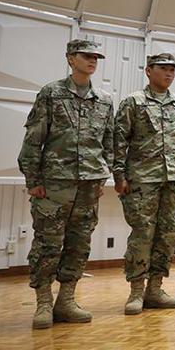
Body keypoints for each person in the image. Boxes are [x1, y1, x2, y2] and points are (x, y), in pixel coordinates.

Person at [19, 39, 114, 329]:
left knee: (78, 244)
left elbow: (108, 144)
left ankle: (67, 300)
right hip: (54, 185)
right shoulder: (52, 93)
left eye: (96, 57)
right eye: (86, 56)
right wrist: (33, 180)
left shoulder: (105, 100)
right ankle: (44, 303)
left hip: (88, 187)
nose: (92, 61)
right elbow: (35, 138)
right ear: (70, 58)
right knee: (47, 245)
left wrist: (101, 175)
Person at [113, 53, 175, 314]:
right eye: (163, 68)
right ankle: (136, 291)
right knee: (142, 234)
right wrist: (119, 175)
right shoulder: (134, 102)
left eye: (173, 69)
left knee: (168, 235)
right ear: (149, 71)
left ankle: (155, 288)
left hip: (174, 180)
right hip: (142, 180)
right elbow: (119, 141)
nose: (169, 73)